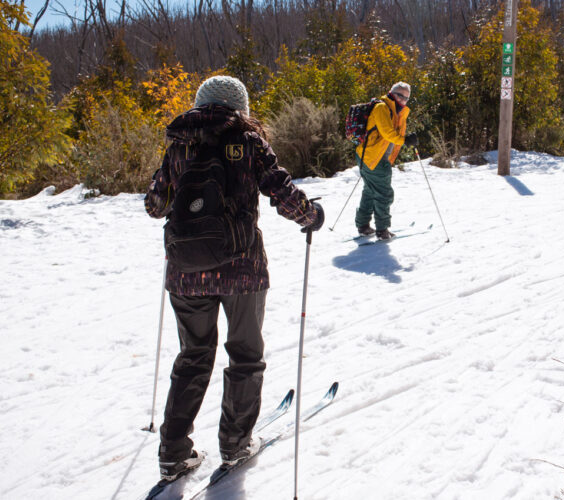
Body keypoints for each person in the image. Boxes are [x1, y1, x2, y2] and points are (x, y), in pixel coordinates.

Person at [144, 75, 324, 481]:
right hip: (242, 269)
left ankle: (173, 453)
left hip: (186, 271)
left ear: (199, 103)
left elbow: (155, 205)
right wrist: (310, 215)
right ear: (239, 107)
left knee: (192, 356)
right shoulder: (248, 141)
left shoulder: (178, 143)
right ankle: (235, 443)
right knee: (244, 354)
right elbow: (279, 190)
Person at [354, 81, 419, 240]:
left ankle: (362, 225)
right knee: (384, 194)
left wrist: (405, 139)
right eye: (400, 95)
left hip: (369, 156)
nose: (403, 100)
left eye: (406, 98)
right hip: (375, 158)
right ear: (392, 93)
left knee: (370, 191)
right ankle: (382, 230)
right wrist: (405, 140)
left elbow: (392, 133)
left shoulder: (396, 111)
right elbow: (387, 133)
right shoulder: (382, 108)